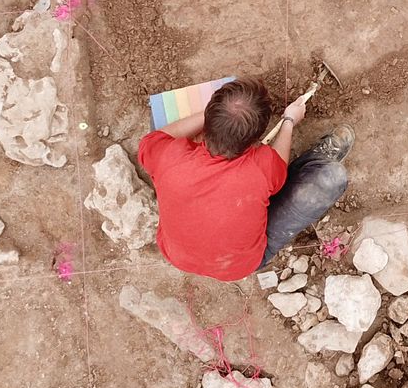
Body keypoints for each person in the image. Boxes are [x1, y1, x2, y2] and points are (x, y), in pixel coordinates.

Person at [138, 78, 354, 280]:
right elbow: (278, 166)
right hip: (238, 265)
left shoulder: (167, 155)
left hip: (178, 256)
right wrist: (289, 121)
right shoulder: (261, 165)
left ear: (206, 121)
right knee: (331, 177)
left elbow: (156, 138)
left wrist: (218, 116)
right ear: (256, 141)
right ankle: (315, 161)